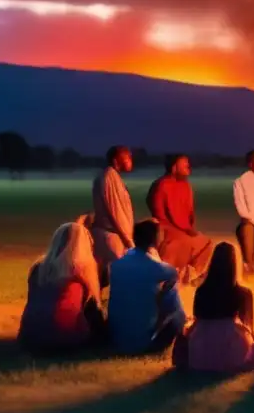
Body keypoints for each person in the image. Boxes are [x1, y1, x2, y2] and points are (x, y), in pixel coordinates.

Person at [172, 242, 254, 374]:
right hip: (232, 345)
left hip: (201, 346)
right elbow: (249, 327)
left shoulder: (202, 290)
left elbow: (197, 321)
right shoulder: (243, 293)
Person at [18, 220, 107, 353]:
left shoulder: (38, 268)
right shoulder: (81, 269)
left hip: (29, 335)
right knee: (94, 312)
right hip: (64, 337)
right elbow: (94, 306)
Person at [107, 219, 187, 355]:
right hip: (143, 342)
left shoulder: (117, 265)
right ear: (155, 239)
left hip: (116, 338)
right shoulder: (157, 268)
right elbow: (173, 274)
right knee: (172, 292)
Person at [146, 154, 213, 286]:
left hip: (184, 229)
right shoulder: (161, 185)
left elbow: (189, 214)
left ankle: (193, 275)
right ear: (174, 167)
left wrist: (189, 228)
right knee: (176, 242)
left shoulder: (186, 186)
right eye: (184, 164)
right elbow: (159, 214)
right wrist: (181, 229)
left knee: (206, 243)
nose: (188, 167)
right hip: (166, 229)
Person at [91, 145, 135, 284]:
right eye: (127, 157)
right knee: (122, 275)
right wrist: (128, 240)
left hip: (115, 235)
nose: (130, 160)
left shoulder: (112, 176)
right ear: (116, 161)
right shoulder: (109, 177)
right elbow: (115, 212)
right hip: (112, 236)